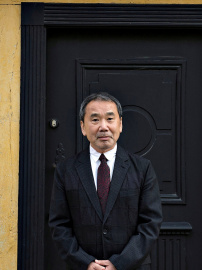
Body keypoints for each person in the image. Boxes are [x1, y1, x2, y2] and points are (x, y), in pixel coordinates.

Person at [49, 92, 162, 270]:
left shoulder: (142, 168)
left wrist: (119, 263)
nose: (103, 127)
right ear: (83, 127)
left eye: (110, 119)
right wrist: (85, 262)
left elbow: (150, 223)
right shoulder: (66, 171)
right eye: (95, 120)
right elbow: (59, 224)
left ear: (120, 124)